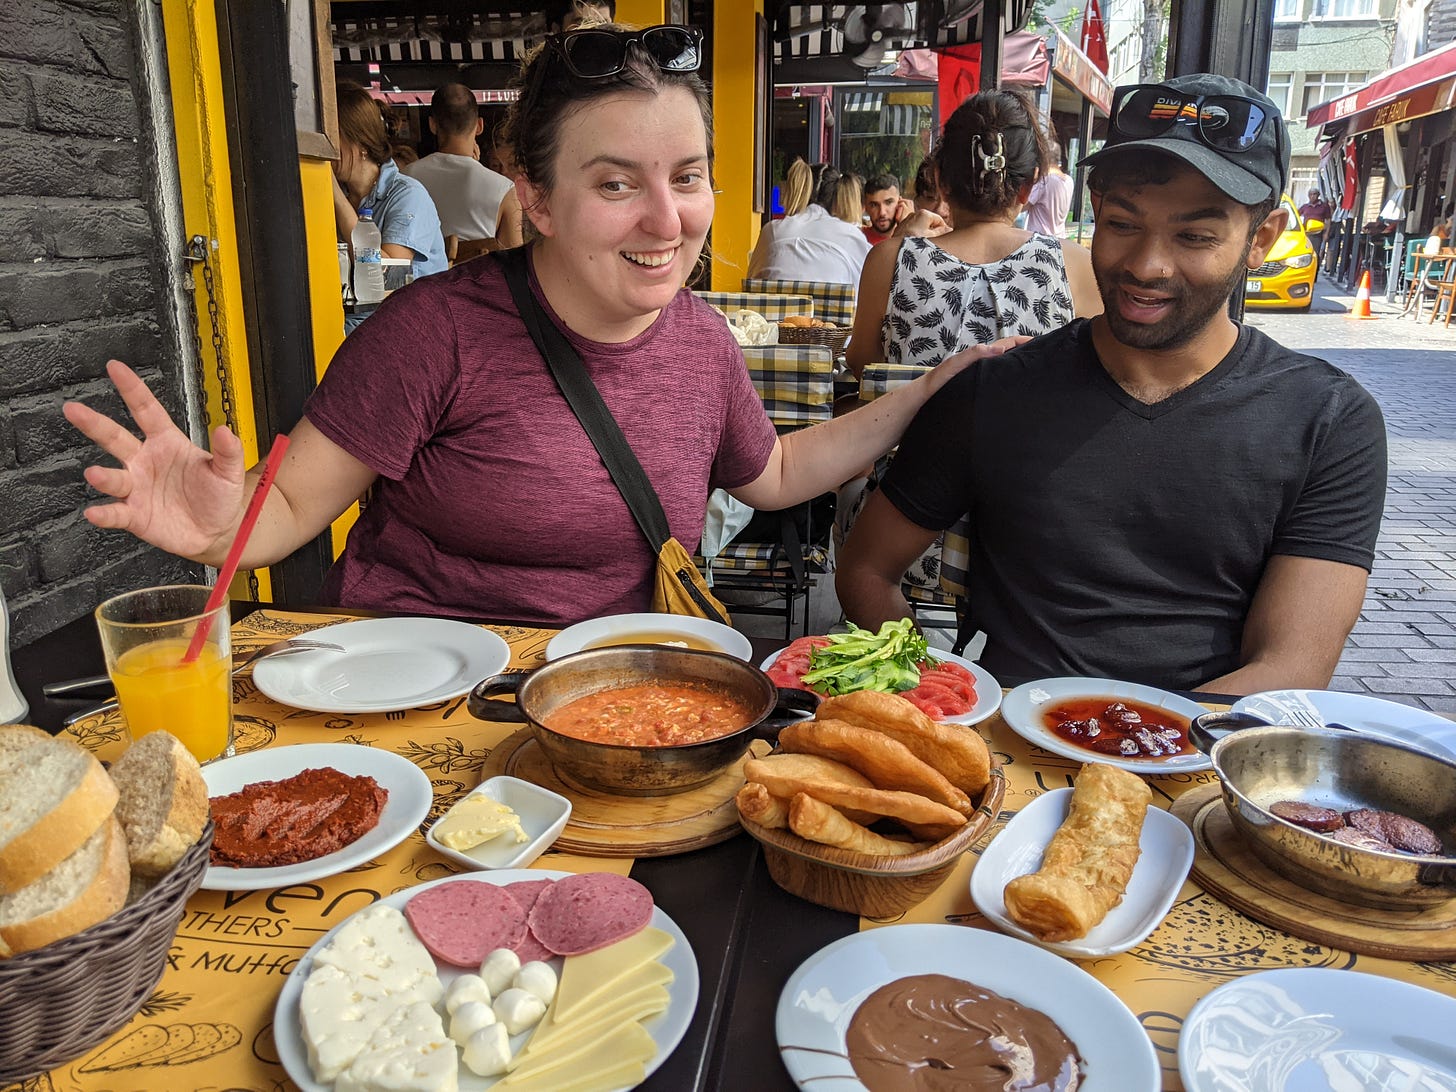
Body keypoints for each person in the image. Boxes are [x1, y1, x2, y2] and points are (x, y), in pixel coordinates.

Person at [64, 23, 1011, 629]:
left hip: (605, 707)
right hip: (413, 705)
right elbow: (292, 506)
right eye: (614, 183)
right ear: (540, 201)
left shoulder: (702, 343)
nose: (666, 218)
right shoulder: (434, 332)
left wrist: (925, 392)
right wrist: (222, 522)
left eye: (685, 176)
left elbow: (776, 476)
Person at [838, 74, 1387, 695]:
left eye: (1195, 236)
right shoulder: (994, 390)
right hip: (1003, 758)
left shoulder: (1328, 421)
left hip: (1196, 759)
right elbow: (865, 569)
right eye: (1124, 223)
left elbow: (1292, 665)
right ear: (1094, 212)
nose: (1147, 265)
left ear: (1260, 238)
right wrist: (943, 694)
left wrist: (1122, 752)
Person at [847, 89, 1100, 379]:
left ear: (940, 180)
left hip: (918, 425)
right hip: (1034, 425)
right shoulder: (1075, 265)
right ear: (1029, 186)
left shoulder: (890, 260)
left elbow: (862, 364)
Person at [331, 81, 448, 331]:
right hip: (356, 321)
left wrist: (336, 199)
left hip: (409, 328)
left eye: (333, 137)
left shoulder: (408, 195)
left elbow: (387, 278)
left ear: (361, 144)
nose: (327, 150)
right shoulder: (339, 196)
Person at [404, 82, 518, 246]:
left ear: (432, 125)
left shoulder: (407, 178)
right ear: (479, 126)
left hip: (424, 272)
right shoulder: (504, 189)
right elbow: (514, 260)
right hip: (479, 271)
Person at [746, 162, 873, 284]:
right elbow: (868, 290)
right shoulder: (851, 235)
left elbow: (751, 283)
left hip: (774, 306)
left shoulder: (772, 230)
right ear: (838, 197)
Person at [1024, 139, 1073, 238]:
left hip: (1039, 240)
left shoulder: (1044, 181)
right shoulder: (1069, 181)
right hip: (1059, 239)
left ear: (1043, 158)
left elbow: (1022, 205)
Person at [862, 173, 908, 244]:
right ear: (866, 207)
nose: (882, 213)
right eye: (874, 205)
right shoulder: (858, 239)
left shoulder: (913, 239)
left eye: (888, 202)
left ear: (900, 203)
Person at [1298, 186, 1333, 265]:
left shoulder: (1324, 206)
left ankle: (1315, 270)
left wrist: (1326, 233)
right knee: (1304, 254)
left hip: (1318, 234)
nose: (1312, 196)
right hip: (1306, 234)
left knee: (1315, 254)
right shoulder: (1305, 207)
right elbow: (1297, 215)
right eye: (1310, 194)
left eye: (1314, 194)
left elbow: (1328, 220)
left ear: (1318, 195)